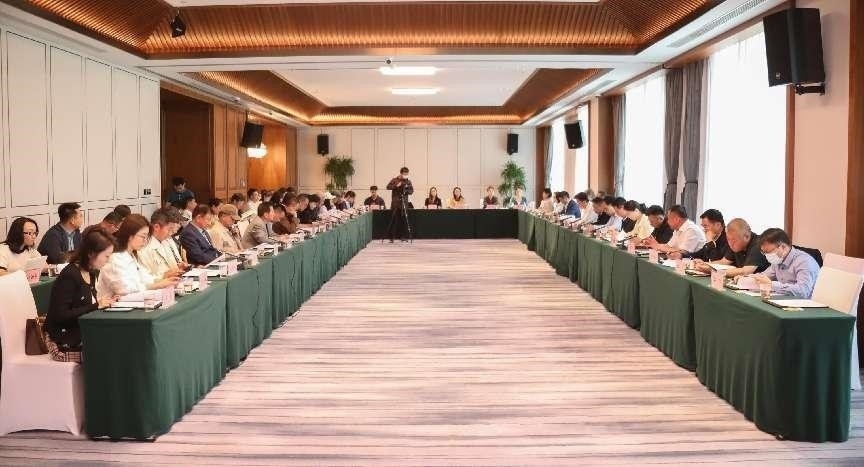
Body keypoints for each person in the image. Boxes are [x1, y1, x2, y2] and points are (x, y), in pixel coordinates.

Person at [44, 226, 118, 362]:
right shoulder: (70, 275)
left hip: (80, 331)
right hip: (61, 341)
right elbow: (60, 315)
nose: (108, 260)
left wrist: (107, 302)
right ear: (91, 253)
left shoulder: (91, 271)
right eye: (106, 256)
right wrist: (96, 306)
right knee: (111, 351)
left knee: (119, 340)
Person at [96, 214, 180, 300]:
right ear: (130, 235)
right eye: (143, 237)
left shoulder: (131, 255)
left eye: (146, 237)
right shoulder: (115, 259)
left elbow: (145, 278)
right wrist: (159, 284)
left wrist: (165, 280)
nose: (145, 241)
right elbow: (125, 290)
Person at [753, 228, 820, 298]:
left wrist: (772, 285)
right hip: (786, 300)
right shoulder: (778, 261)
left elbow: (803, 292)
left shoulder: (804, 261)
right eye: (764, 253)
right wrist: (751, 278)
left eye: (768, 252)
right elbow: (763, 277)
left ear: (783, 247)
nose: (767, 256)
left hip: (805, 302)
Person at [698, 218, 768, 278]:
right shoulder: (734, 243)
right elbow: (723, 262)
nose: (730, 243)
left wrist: (714, 271)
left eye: (734, 240)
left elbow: (745, 271)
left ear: (746, 236)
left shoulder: (758, 244)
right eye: (728, 239)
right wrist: (705, 264)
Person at [138, 208, 187, 278]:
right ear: (156, 227)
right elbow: (145, 279)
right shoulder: (144, 248)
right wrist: (164, 275)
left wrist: (179, 266)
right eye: (170, 229)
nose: (173, 232)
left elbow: (174, 266)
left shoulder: (167, 240)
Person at [386, 167, 414, 242]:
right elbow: (388, 187)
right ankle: (392, 237)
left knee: (404, 221)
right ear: (401, 173)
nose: (406, 175)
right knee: (394, 220)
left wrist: (406, 190)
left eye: (407, 174)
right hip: (395, 203)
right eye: (404, 174)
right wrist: (396, 186)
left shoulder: (408, 181)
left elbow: (411, 191)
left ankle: (403, 237)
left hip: (404, 203)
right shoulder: (395, 180)